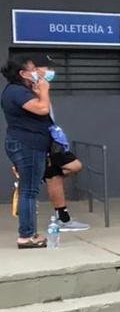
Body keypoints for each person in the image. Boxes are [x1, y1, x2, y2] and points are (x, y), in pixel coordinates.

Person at [32, 57, 90, 232]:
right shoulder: (31, 89)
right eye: (47, 67)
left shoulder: (41, 87)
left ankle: (62, 218)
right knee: (73, 166)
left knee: (54, 177)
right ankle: (61, 219)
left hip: (51, 139)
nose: (51, 71)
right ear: (36, 69)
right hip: (44, 141)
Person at [2, 55, 53, 247]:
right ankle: (27, 236)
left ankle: (28, 234)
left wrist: (38, 87)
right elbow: (42, 109)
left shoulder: (20, 90)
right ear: (23, 73)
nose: (37, 72)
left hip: (26, 144)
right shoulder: (16, 92)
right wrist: (45, 89)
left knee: (27, 190)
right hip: (27, 145)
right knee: (29, 191)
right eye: (33, 69)